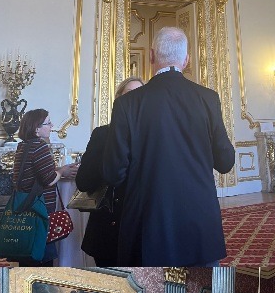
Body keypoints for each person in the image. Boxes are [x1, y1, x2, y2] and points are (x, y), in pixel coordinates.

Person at [101, 27, 235, 266]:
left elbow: (113, 172)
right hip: (199, 222)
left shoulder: (127, 104)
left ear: (151, 56)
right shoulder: (208, 98)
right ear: (186, 60)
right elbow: (225, 162)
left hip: (147, 223)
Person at [75, 76, 144, 266]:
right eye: (130, 94)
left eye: (140, 95)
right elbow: (84, 182)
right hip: (109, 229)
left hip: (143, 232)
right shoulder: (103, 134)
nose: (135, 99)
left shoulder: (155, 135)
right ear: (118, 100)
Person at [12, 108, 78, 265]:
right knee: (42, 256)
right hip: (39, 207)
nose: (52, 125)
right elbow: (49, 179)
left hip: (26, 205)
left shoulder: (23, 146)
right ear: (36, 129)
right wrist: (62, 171)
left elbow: (38, 173)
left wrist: (58, 171)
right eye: (48, 123)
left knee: (29, 252)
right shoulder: (39, 147)